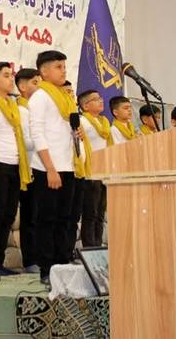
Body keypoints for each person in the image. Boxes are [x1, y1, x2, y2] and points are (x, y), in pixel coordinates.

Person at [29, 50, 87, 284]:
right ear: (43, 71)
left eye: (64, 66)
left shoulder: (66, 98)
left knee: (66, 219)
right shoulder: (40, 97)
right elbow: (37, 134)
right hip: (48, 168)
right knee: (47, 220)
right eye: (58, 67)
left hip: (68, 166)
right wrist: (50, 169)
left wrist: (77, 134)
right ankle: (47, 269)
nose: (63, 71)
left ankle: (63, 263)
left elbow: (64, 131)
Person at [0, 62, 31, 276]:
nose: (11, 79)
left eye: (11, 75)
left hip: (14, 165)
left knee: (9, 215)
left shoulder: (12, 106)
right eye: (6, 76)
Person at [15, 68, 41, 273]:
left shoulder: (39, 110)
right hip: (28, 168)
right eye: (35, 83)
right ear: (22, 87)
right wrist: (45, 141)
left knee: (42, 216)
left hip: (43, 168)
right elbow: (25, 141)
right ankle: (30, 259)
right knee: (30, 216)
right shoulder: (21, 111)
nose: (39, 87)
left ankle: (43, 257)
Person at [77, 90, 111, 247]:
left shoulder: (104, 122)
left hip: (104, 172)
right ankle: (89, 248)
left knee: (100, 214)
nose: (101, 101)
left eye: (100, 98)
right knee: (90, 213)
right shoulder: (82, 121)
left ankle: (98, 246)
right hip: (90, 173)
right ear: (85, 106)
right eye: (96, 99)